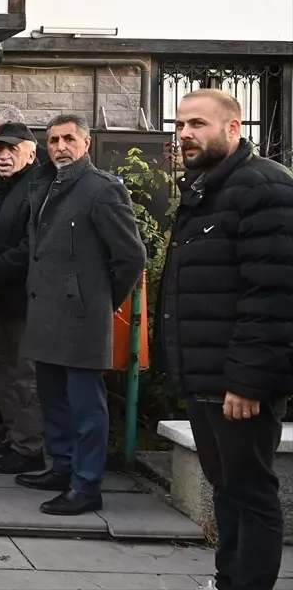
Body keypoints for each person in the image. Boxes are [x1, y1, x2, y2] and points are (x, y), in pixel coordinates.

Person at [161, 89, 293, 590]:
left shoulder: (265, 188)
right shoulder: (204, 189)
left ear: (235, 129)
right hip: (205, 374)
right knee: (226, 487)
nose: (185, 134)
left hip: (238, 382)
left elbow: (274, 295)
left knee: (251, 491)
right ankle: (228, 579)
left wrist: (248, 381)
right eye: (180, 125)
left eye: (198, 124)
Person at [16, 114, 146, 515]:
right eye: (53, 140)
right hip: (45, 313)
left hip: (83, 317)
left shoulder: (101, 190)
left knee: (86, 407)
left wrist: (98, 299)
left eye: (68, 139)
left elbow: (131, 256)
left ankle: (87, 485)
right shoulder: (45, 184)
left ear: (86, 143)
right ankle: (62, 468)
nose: (60, 147)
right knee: (53, 400)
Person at [0, 122, 44, 474]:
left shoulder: (39, 187)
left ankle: (30, 447)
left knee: (24, 374)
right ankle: (15, 434)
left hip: (24, 298)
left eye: (11, 149)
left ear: (30, 152)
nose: (2, 155)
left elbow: (31, 246)